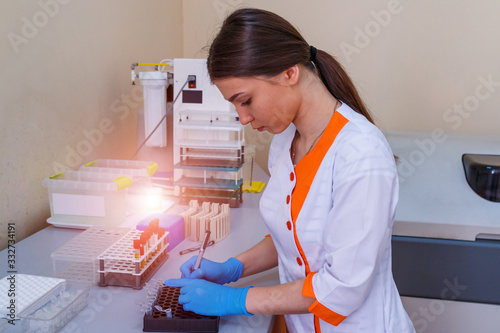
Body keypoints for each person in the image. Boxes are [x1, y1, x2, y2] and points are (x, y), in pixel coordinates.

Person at [165, 8, 416, 333]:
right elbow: (295, 237)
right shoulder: (286, 140)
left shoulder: (361, 154)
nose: (242, 118)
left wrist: (234, 300)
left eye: (246, 100)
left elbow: (342, 288)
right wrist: (233, 267)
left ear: (289, 73)